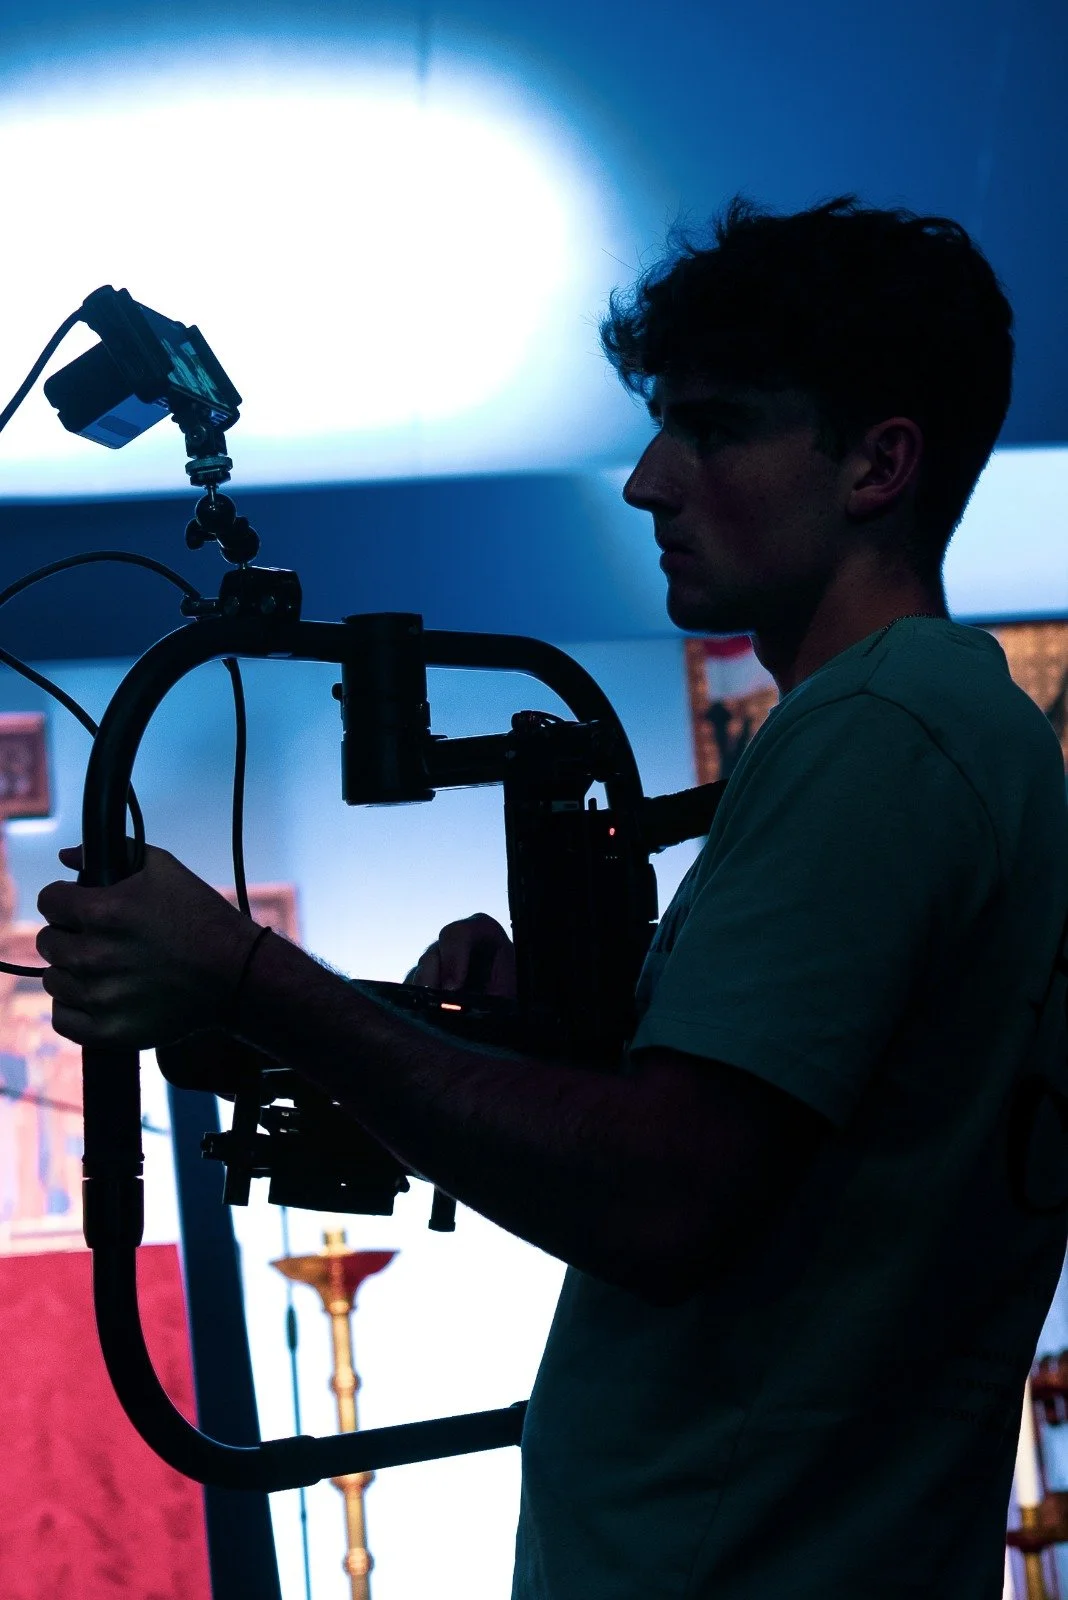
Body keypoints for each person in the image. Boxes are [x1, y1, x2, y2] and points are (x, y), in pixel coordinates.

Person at [36, 194, 1068, 1598]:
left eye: (712, 428)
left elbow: (663, 1197)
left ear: (879, 464)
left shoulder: (880, 734)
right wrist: (555, 1045)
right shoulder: (950, 733)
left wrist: (247, 978)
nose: (647, 481)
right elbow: (788, 1179)